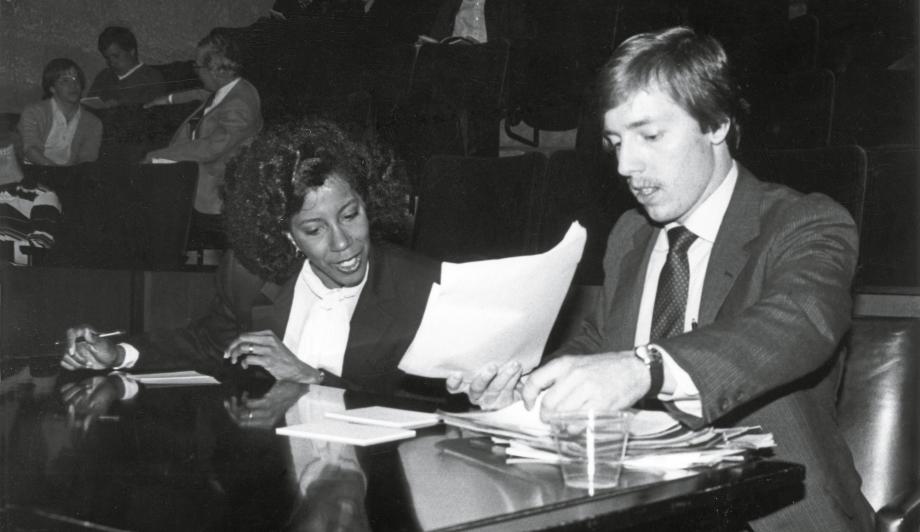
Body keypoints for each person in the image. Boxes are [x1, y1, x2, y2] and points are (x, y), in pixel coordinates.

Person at [450, 27, 874, 531]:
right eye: (615, 143)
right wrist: (527, 384)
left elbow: (798, 324)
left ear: (715, 123)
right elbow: (599, 345)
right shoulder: (631, 236)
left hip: (774, 517)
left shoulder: (805, 223)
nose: (627, 166)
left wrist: (646, 368)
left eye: (649, 136)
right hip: (642, 511)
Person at [61, 118, 440, 397]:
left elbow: (422, 407)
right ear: (285, 234)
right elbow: (206, 345)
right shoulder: (249, 276)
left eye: (350, 215)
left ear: (368, 204)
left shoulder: (421, 286)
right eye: (314, 229)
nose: (343, 243)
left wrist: (311, 377)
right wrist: (117, 353)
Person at [144, 31, 263, 242]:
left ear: (216, 69)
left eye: (197, 66)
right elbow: (203, 95)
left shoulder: (240, 105)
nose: (196, 71)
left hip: (214, 196)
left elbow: (210, 148)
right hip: (197, 176)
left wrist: (160, 155)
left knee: (148, 199)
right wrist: (168, 99)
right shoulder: (235, 88)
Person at [18, 58, 102, 166]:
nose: (73, 85)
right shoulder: (34, 112)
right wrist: (56, 173)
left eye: (76, 79)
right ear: (52, 88)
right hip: (34, 171)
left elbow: (87, 160)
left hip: (69, 177)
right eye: (65, 81)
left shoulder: (93, 123)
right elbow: (31, 149)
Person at [85, 26, 166, 107]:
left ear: (131, 52)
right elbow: (88, 105)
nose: (111, 62)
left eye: (116, 56)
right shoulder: (103, 76)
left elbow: (154, 112)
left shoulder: (151, 77)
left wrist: (120, 106)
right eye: (107, 58)